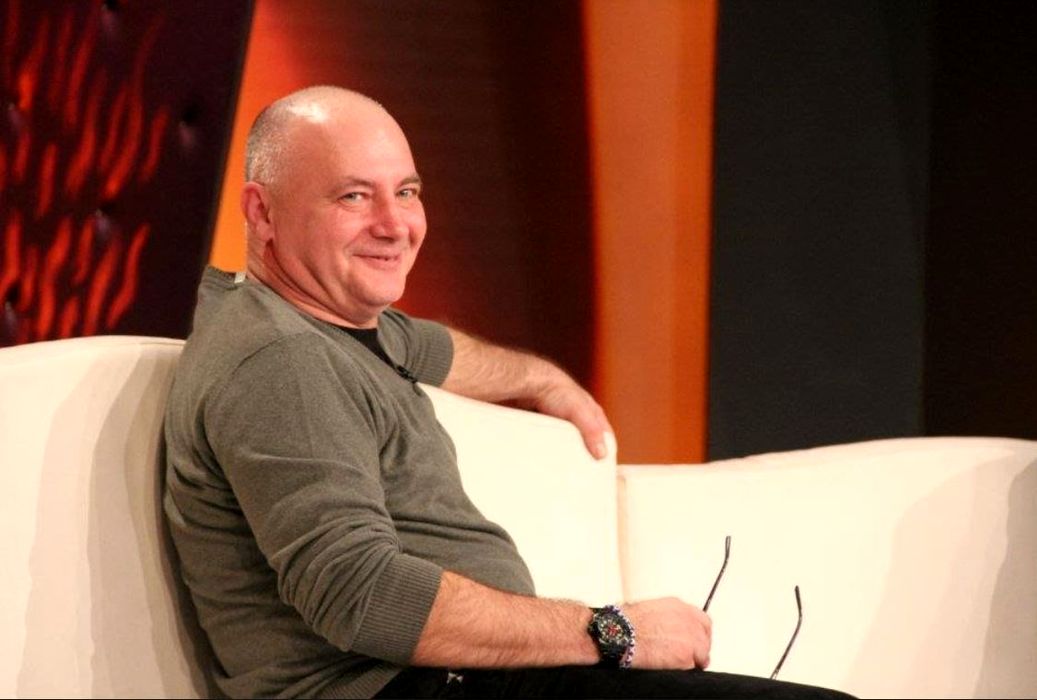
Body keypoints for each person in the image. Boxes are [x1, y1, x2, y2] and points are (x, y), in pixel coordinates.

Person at [164, 86, 852, 699]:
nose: (395, 225)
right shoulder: (282, 359)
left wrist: (541, 379)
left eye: (406, 192)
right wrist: (614, 631)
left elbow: (434, 349)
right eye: (353, 196)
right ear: (261, 211)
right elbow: (361, 595)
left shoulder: (336, 322)